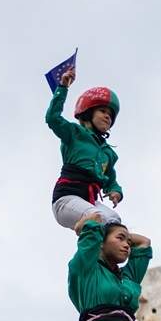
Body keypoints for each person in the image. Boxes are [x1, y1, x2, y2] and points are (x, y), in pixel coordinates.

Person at [45, 68, 121, 231]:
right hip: (67, 198)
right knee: (97, 218)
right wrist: (62, 88)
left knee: (115, 222)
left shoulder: (108, 153)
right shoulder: (75, 133)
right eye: (102, 111)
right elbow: (53, 119)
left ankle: (100, 256)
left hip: (89, 200)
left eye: (110, 115)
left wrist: (115, 190)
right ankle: (85, 238)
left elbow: (110, 178)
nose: (108, 116)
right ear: (87, 114)